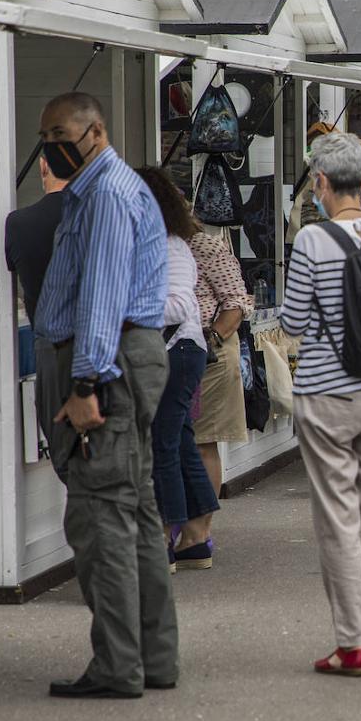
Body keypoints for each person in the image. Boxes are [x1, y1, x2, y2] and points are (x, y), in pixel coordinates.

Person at [34, 92, 177, 699]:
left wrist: (87, 381)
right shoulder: (98, 192)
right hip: (125, 354)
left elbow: (102, 293)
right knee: (136, 514)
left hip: (108, 360)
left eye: (60, 133)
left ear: (96, 132)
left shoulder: (109, 195)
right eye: (45, 135)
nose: (50, 146)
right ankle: (152, 657)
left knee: (102, 519)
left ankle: (119, 666)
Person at [280, 132, 361, 676]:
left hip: (329, 394)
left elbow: (290, 323)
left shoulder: (313, 241)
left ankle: (351, 645)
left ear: (322, 183)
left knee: (339, 520)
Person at [136, 167, 218, 572]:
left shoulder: (169, 246)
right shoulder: (161, 244)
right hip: (180, 350)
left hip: (176, 350)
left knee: (163, 444)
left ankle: (166, 541)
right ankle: (196, 536)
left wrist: (125, 314)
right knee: (181, 441)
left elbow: (181, 305)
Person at [189, 224, 252, 544]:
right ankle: (185, 528)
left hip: (210, 352)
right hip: (177, 352)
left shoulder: (205, 246)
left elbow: (237, 301)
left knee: (204, 438)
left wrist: (212, 336)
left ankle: (200, 531)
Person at [7, 157, 67, 482]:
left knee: (65, 452)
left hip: (50, 348)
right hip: (110, 346)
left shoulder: (18, 224)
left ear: (44, 165)